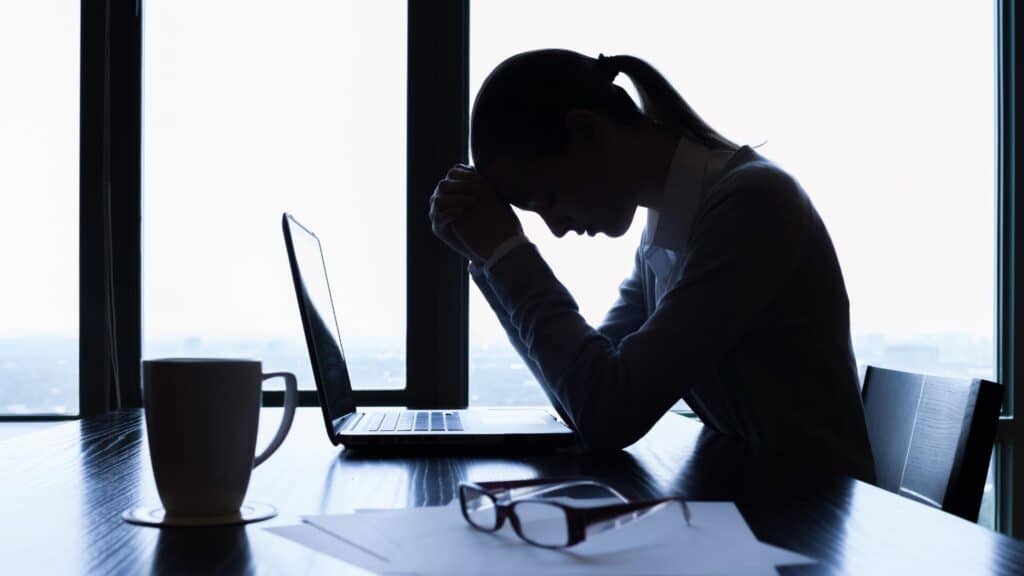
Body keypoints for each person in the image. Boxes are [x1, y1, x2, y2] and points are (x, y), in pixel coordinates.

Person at [429, 49, 875, 482]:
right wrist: (489, 259)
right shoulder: (667, 231)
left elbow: (608, 414)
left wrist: (509, 258)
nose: (558, 228)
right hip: (763, 503)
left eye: (547, 199)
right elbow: (583, 397)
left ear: (587, 132)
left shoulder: (753, 204)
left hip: (818, 521)